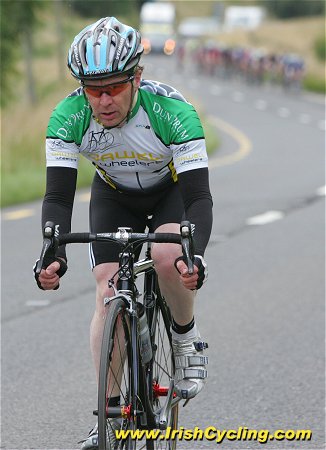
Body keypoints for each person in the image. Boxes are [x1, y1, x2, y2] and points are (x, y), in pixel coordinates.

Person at [34, 17, 213, 449]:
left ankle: (186, 339)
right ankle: (110, 415)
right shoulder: (69, 116)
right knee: (106, 290)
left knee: (170, 257)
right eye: (93, 89)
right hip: (113, 195)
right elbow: (58, 197)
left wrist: (195, 254)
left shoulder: (172, 113)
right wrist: (52, 250)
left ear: (137, 77)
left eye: (114, 86)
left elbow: (198, 200)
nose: (104, 99)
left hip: (169, 193)